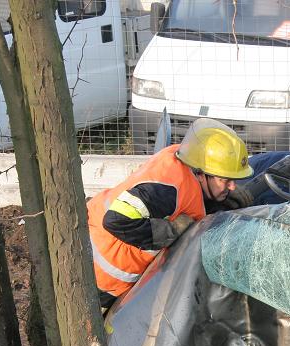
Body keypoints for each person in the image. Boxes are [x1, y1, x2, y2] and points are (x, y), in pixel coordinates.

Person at [87, 118, 254, 308]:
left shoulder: (185, 159)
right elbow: (116, 220)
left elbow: (190, 201)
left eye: (233, 180)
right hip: (98, 278)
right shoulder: (167, 190)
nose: (232, 187)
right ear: (201, 174)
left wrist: (221, 198)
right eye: (226, 180)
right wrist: (172, 230)